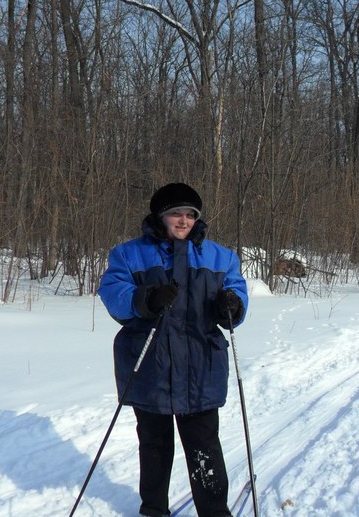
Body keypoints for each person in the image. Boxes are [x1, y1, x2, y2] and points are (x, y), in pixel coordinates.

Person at [98, 182, 248, 517]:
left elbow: (237, 291)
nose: (183, 221)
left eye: (190, 215)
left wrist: (232, 305)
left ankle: (214, 511)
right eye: (175, 214)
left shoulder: (220, 256)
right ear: (160, 216)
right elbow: (112, 291)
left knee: (204, 448)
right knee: (153, 447)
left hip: (200, 368)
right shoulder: (128, 254)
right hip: (150, 367)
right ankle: (153, 510)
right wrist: (145, 299)